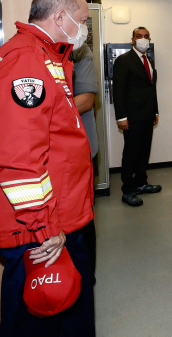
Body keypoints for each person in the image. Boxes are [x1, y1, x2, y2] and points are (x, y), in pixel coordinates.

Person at [0, 0, 95, 336]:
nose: (84, 28)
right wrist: (44, 228)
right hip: (39, 227)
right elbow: (18, 158)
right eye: (83, 20)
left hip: (57, 216)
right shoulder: (27, 60)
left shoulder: (46, 56)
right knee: (38, 321)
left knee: (67, 312)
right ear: (61, 17)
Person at [112, 26, 161, 207]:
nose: (143, 39)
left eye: (146, 36)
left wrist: (155, 111)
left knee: (144, 151)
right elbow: (118, 91)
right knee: (131, 154)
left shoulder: (149, 60)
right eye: (139, 36)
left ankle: (141, 183)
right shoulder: (124, 60)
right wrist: (121, 117)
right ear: (132, 40)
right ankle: (128, 190)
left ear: (150, 39)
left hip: (148, 115)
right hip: (131, 117)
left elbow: (151, 88)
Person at [71, 43, 99, 278]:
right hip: (55, 158)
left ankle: (85, 276)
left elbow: (87, 100)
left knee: (82, 221)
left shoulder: (80, 52)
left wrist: (43, 112)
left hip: (79, 152)